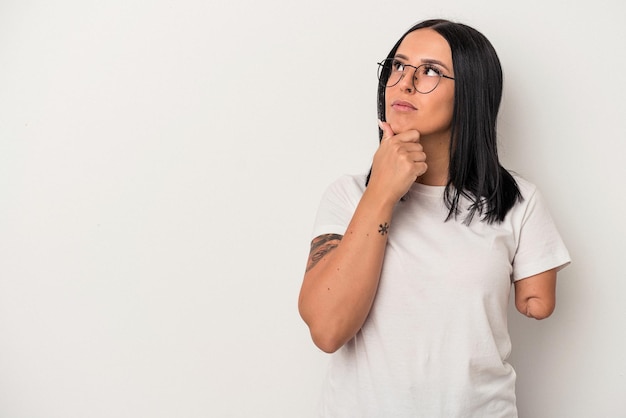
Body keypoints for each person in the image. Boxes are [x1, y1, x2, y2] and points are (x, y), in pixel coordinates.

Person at [297, 19, 571, 417]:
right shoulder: (349, 195)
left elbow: (537, 301)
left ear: (472, 94)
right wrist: (382, 193)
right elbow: (327, 329)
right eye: (398, 66)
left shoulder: (516, 200)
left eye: (429, 71)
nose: (404, 83)